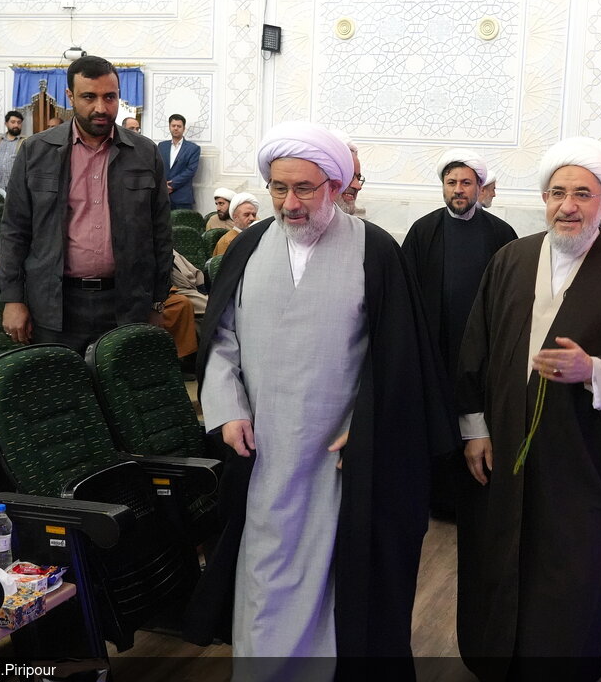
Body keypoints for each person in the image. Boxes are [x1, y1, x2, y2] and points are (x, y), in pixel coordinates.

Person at [186, 121, 453, 669]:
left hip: (340, 457)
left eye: (305, 189)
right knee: (265, 572)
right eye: (279, 188)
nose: (290, 203)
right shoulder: (248, 246)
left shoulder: (375, 250)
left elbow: (401, 358)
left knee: (340, 576)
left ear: (336, 186)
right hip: (263, 452)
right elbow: (221, 338)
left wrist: (369, 428)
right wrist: (228, 410)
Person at [454, 137, 601, 680]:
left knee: (567, 579)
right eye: (558, 193)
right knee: (497, 559)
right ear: (544, 199)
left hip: (580, 460)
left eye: (582, 194)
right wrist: (475, 428)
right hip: (502, 448)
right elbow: (476, 345)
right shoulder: (512, 258)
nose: (568, 206)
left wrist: (593, 369)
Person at [0, 55, 171, 355]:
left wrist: (157, 302)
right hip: (54, 304)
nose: (101, 107)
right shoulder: (37, 151)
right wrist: (12, 299)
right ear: (70, 96)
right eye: (89, 97)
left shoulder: (145, 153)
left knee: (119, 384)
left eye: (110, 97)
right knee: (59, 382)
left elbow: (161, 233)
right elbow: (14, 229)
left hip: (126, 304)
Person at [402, 149, 517, 520]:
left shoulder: (500, 234)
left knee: (479, 427)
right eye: (451, 182)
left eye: (466, 182)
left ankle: (476, 503)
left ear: (479, 187)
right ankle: (438, 503)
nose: (458, 189)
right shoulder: (423, 231)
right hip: (436, 351)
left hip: (484, 354)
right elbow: (407, 293)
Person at [158, 113, 200, 210]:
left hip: (182, 197)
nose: (176, 128)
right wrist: (163, 185)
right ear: (169, 127)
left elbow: (191, 170)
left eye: (179, 126)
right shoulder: (162, 146)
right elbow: (157, 167)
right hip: (163, 196)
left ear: (184, 128)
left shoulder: (193, 148)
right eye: (173, 126)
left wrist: (172, 185)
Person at [212, 192, 258, 257]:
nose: (252, 218)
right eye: (246, 215)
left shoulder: (257, 236)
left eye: (254, 215)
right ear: (235, 217)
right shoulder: (227, 242)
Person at [0, 110, 24, 189]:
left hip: (16, 187)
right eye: (13, 122)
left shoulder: (25, 142)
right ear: (6, 123)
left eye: (19, 122)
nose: (16, 125)